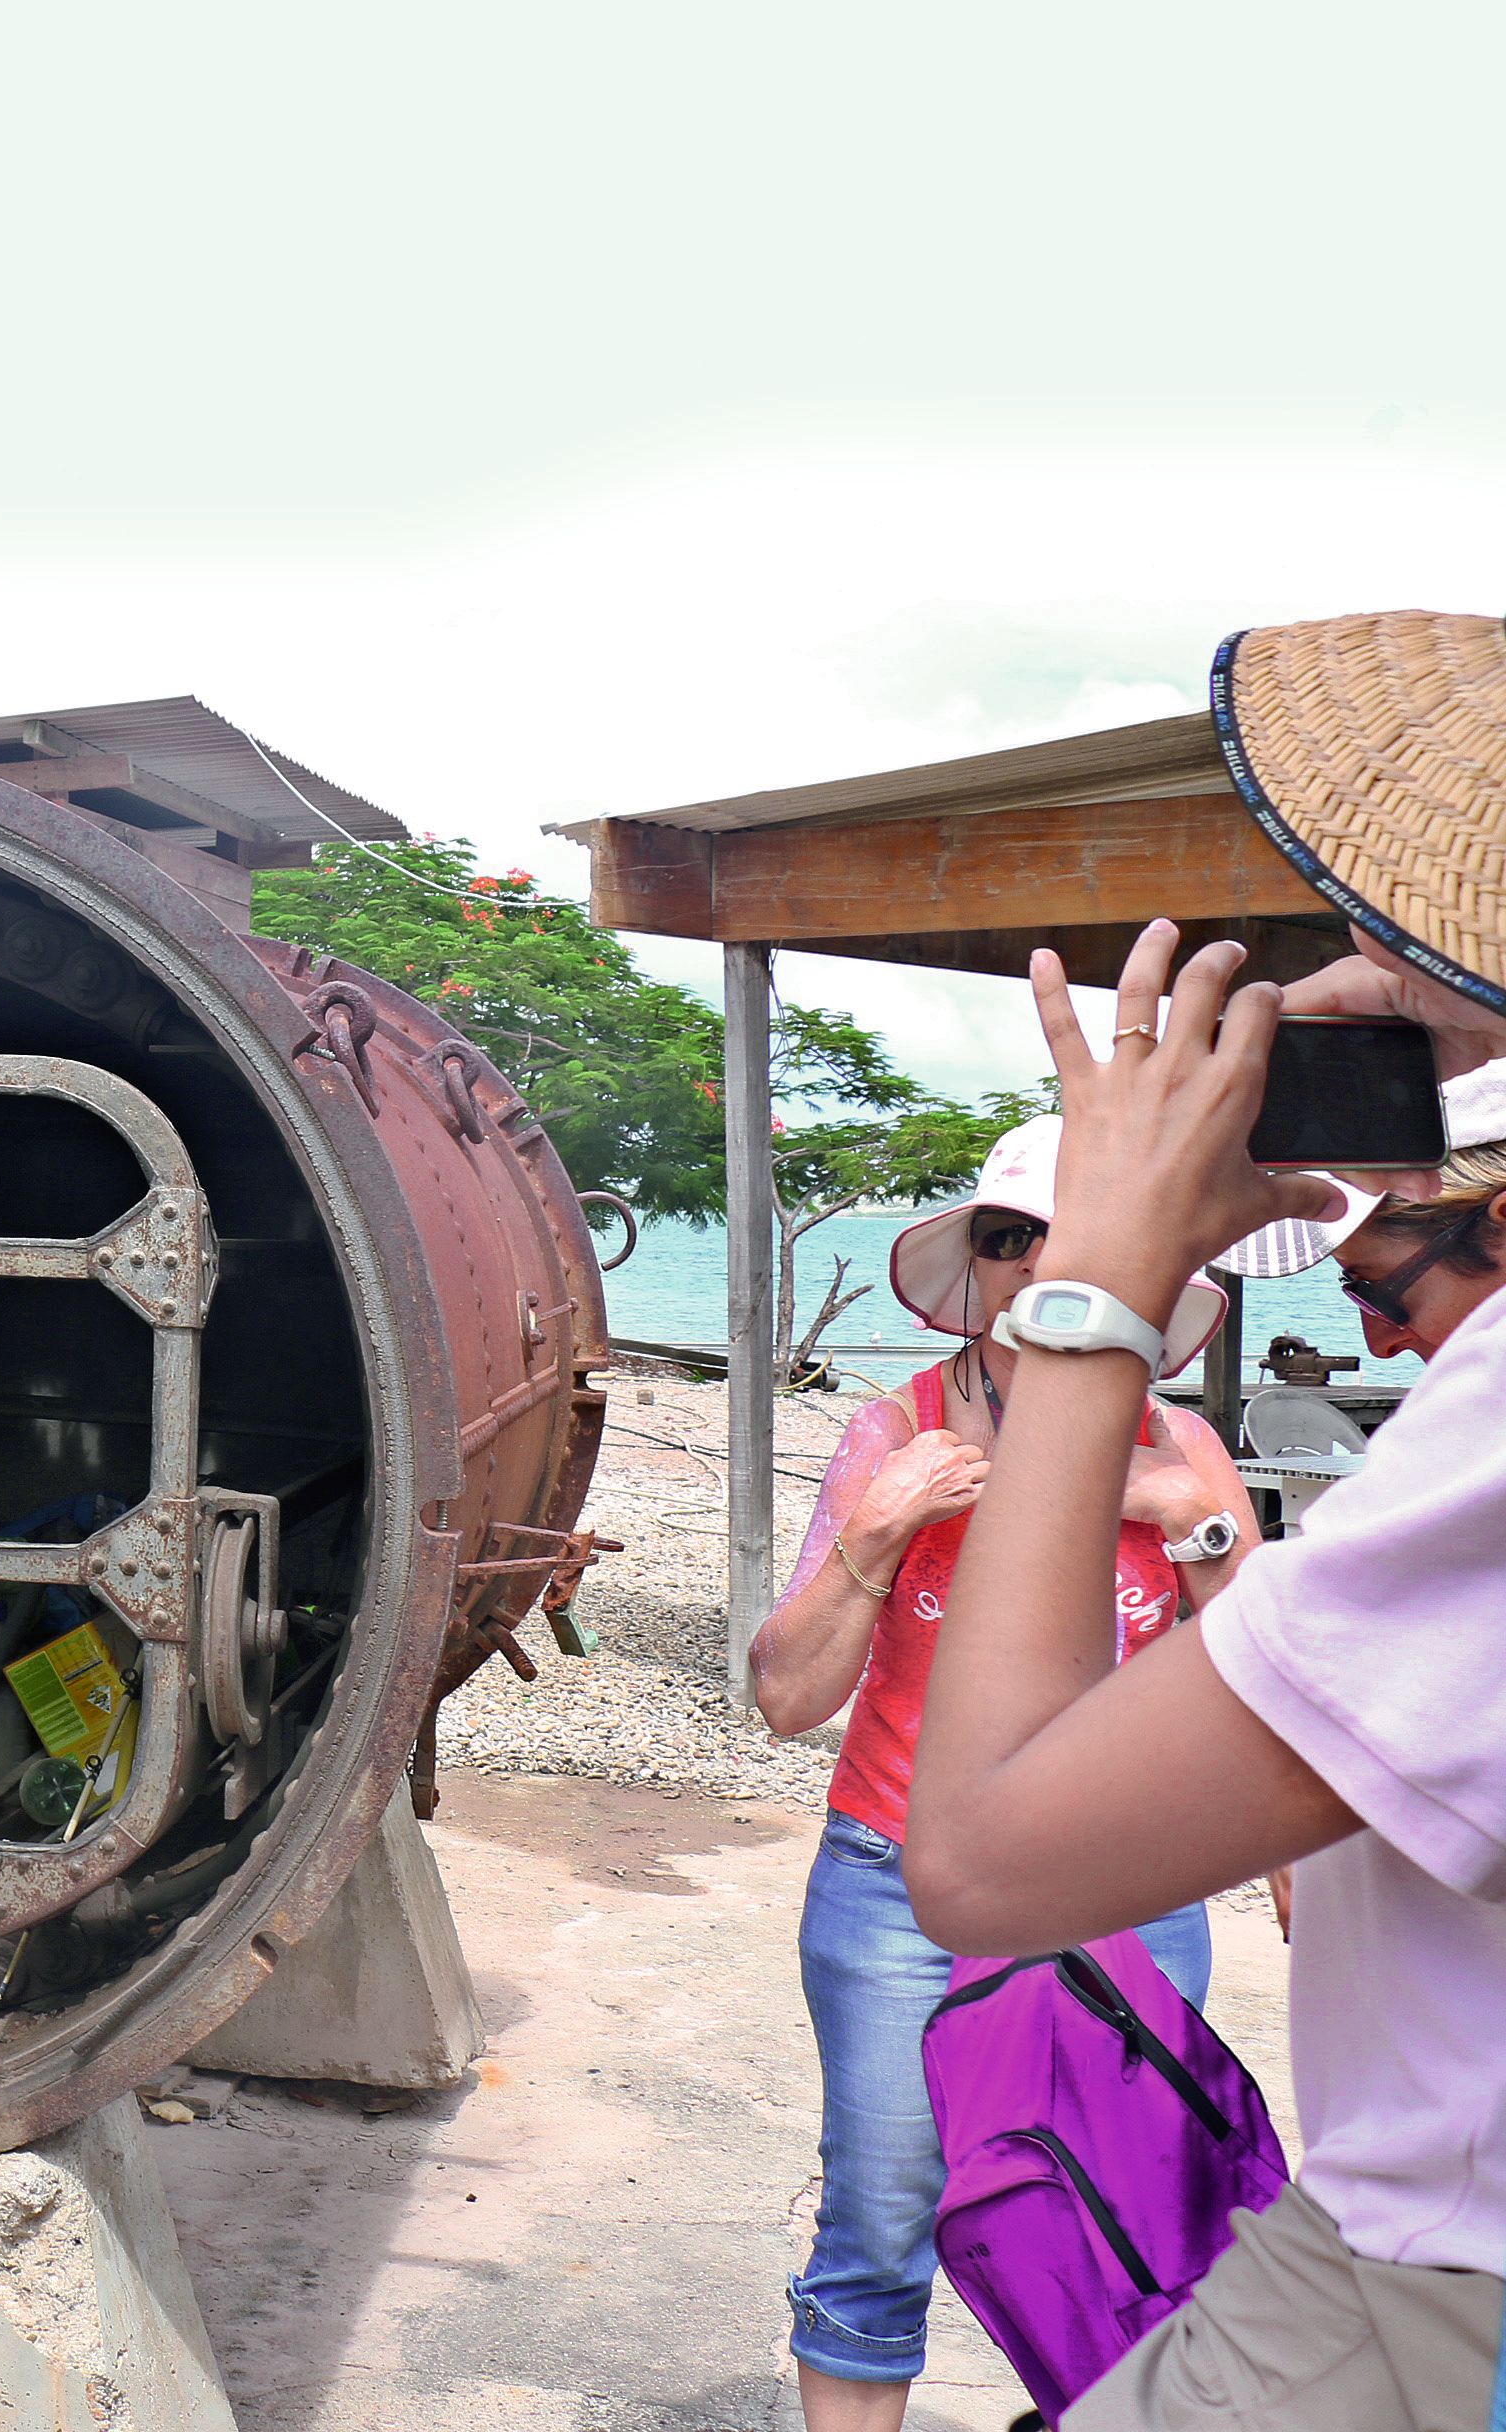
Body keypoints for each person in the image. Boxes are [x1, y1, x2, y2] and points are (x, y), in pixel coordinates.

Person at [907, 605, 1506, 2429]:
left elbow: (993, 1860)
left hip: (1439, 2279)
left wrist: (1104, 1270)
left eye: (1406, 935)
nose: (1364, 965)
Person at [749, 1115, 1262, 2432]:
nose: (1036, 1269)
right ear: (973, 1274)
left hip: (1130, 1896)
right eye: (1006, 1240)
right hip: (898, 1885)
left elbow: (1282, 1689)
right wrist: (877, 1534)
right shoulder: (897, 1437)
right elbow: (787, 1701)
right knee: (883, 2221)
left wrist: (1188, 1521)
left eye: (1069, 1244)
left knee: (1143, 2234)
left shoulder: (1182, 1452)